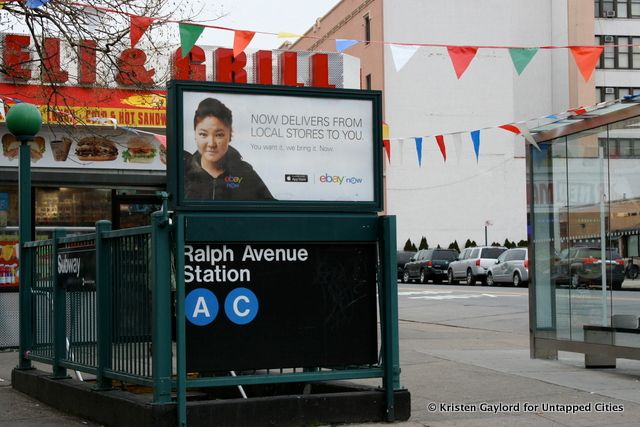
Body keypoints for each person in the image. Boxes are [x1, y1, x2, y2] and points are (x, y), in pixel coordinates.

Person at [184, 97, 274, 200]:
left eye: (219, 135)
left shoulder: (245, 174)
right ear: (195, 135)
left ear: (230, 135)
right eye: (203, 134)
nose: (211, 143)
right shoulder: (184, 174)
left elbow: (272, 209)